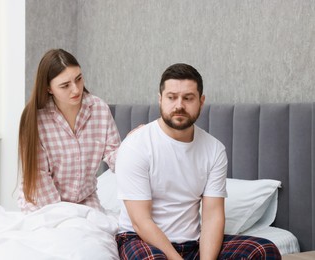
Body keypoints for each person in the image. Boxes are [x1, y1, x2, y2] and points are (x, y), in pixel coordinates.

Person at [115, 63, 281, 259]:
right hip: (141, 239)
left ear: (201, 102)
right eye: (171, 97)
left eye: (188, 98)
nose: (179, 105)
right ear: (160, 100)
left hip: (193, 244)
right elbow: (141, 221)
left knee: (264, 250)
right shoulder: (136, 145)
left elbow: (212, 217)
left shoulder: (214, 149)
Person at [17, 49, 121, 213]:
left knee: (99, 234)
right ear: (49, 88)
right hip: (43, 203)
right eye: (65, 85)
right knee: (64, 236)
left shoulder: (99, 109)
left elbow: (116, 158)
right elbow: (40, 177)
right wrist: (64, 216)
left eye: (78, 79)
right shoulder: (36, 120)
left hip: (86, 200)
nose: (76, 89)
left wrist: (134, 144)